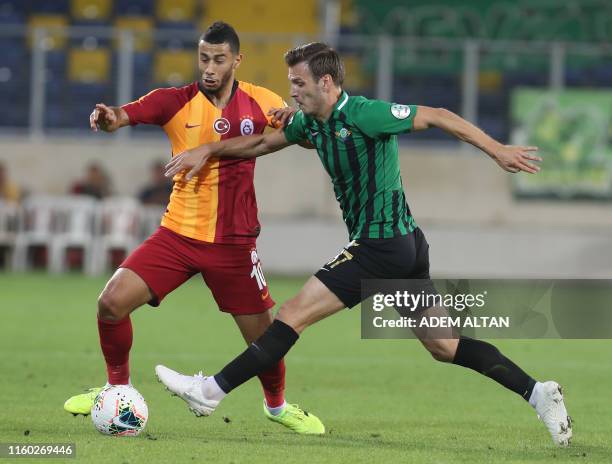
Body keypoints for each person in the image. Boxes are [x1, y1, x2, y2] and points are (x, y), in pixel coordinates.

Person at [156, 42, 572, 446]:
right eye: (290, 83)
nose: (292, 91)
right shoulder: (310, 122)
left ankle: (212, 390)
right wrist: (209, 150)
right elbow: (263, 143)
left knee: (292, 314)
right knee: (445, 346)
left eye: (299, 83)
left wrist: (497, 150)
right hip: (405, 246)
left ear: (325, 83)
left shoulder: (365, 114)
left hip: (381, 244)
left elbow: (440, 115)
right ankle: (539, 393)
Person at [63, 23, 325, 435]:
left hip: (234, 244)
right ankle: (117, 390)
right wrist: (108, 116)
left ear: (236, 60)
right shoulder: (174, 101)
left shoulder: (262, 101)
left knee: (266, 341)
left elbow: (308, 138)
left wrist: (296, 119)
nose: (209, 67)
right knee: (110, 304)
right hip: (177, 235)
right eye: (204, 57)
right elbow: (125, 115)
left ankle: (277, 407)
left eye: (219, 59)